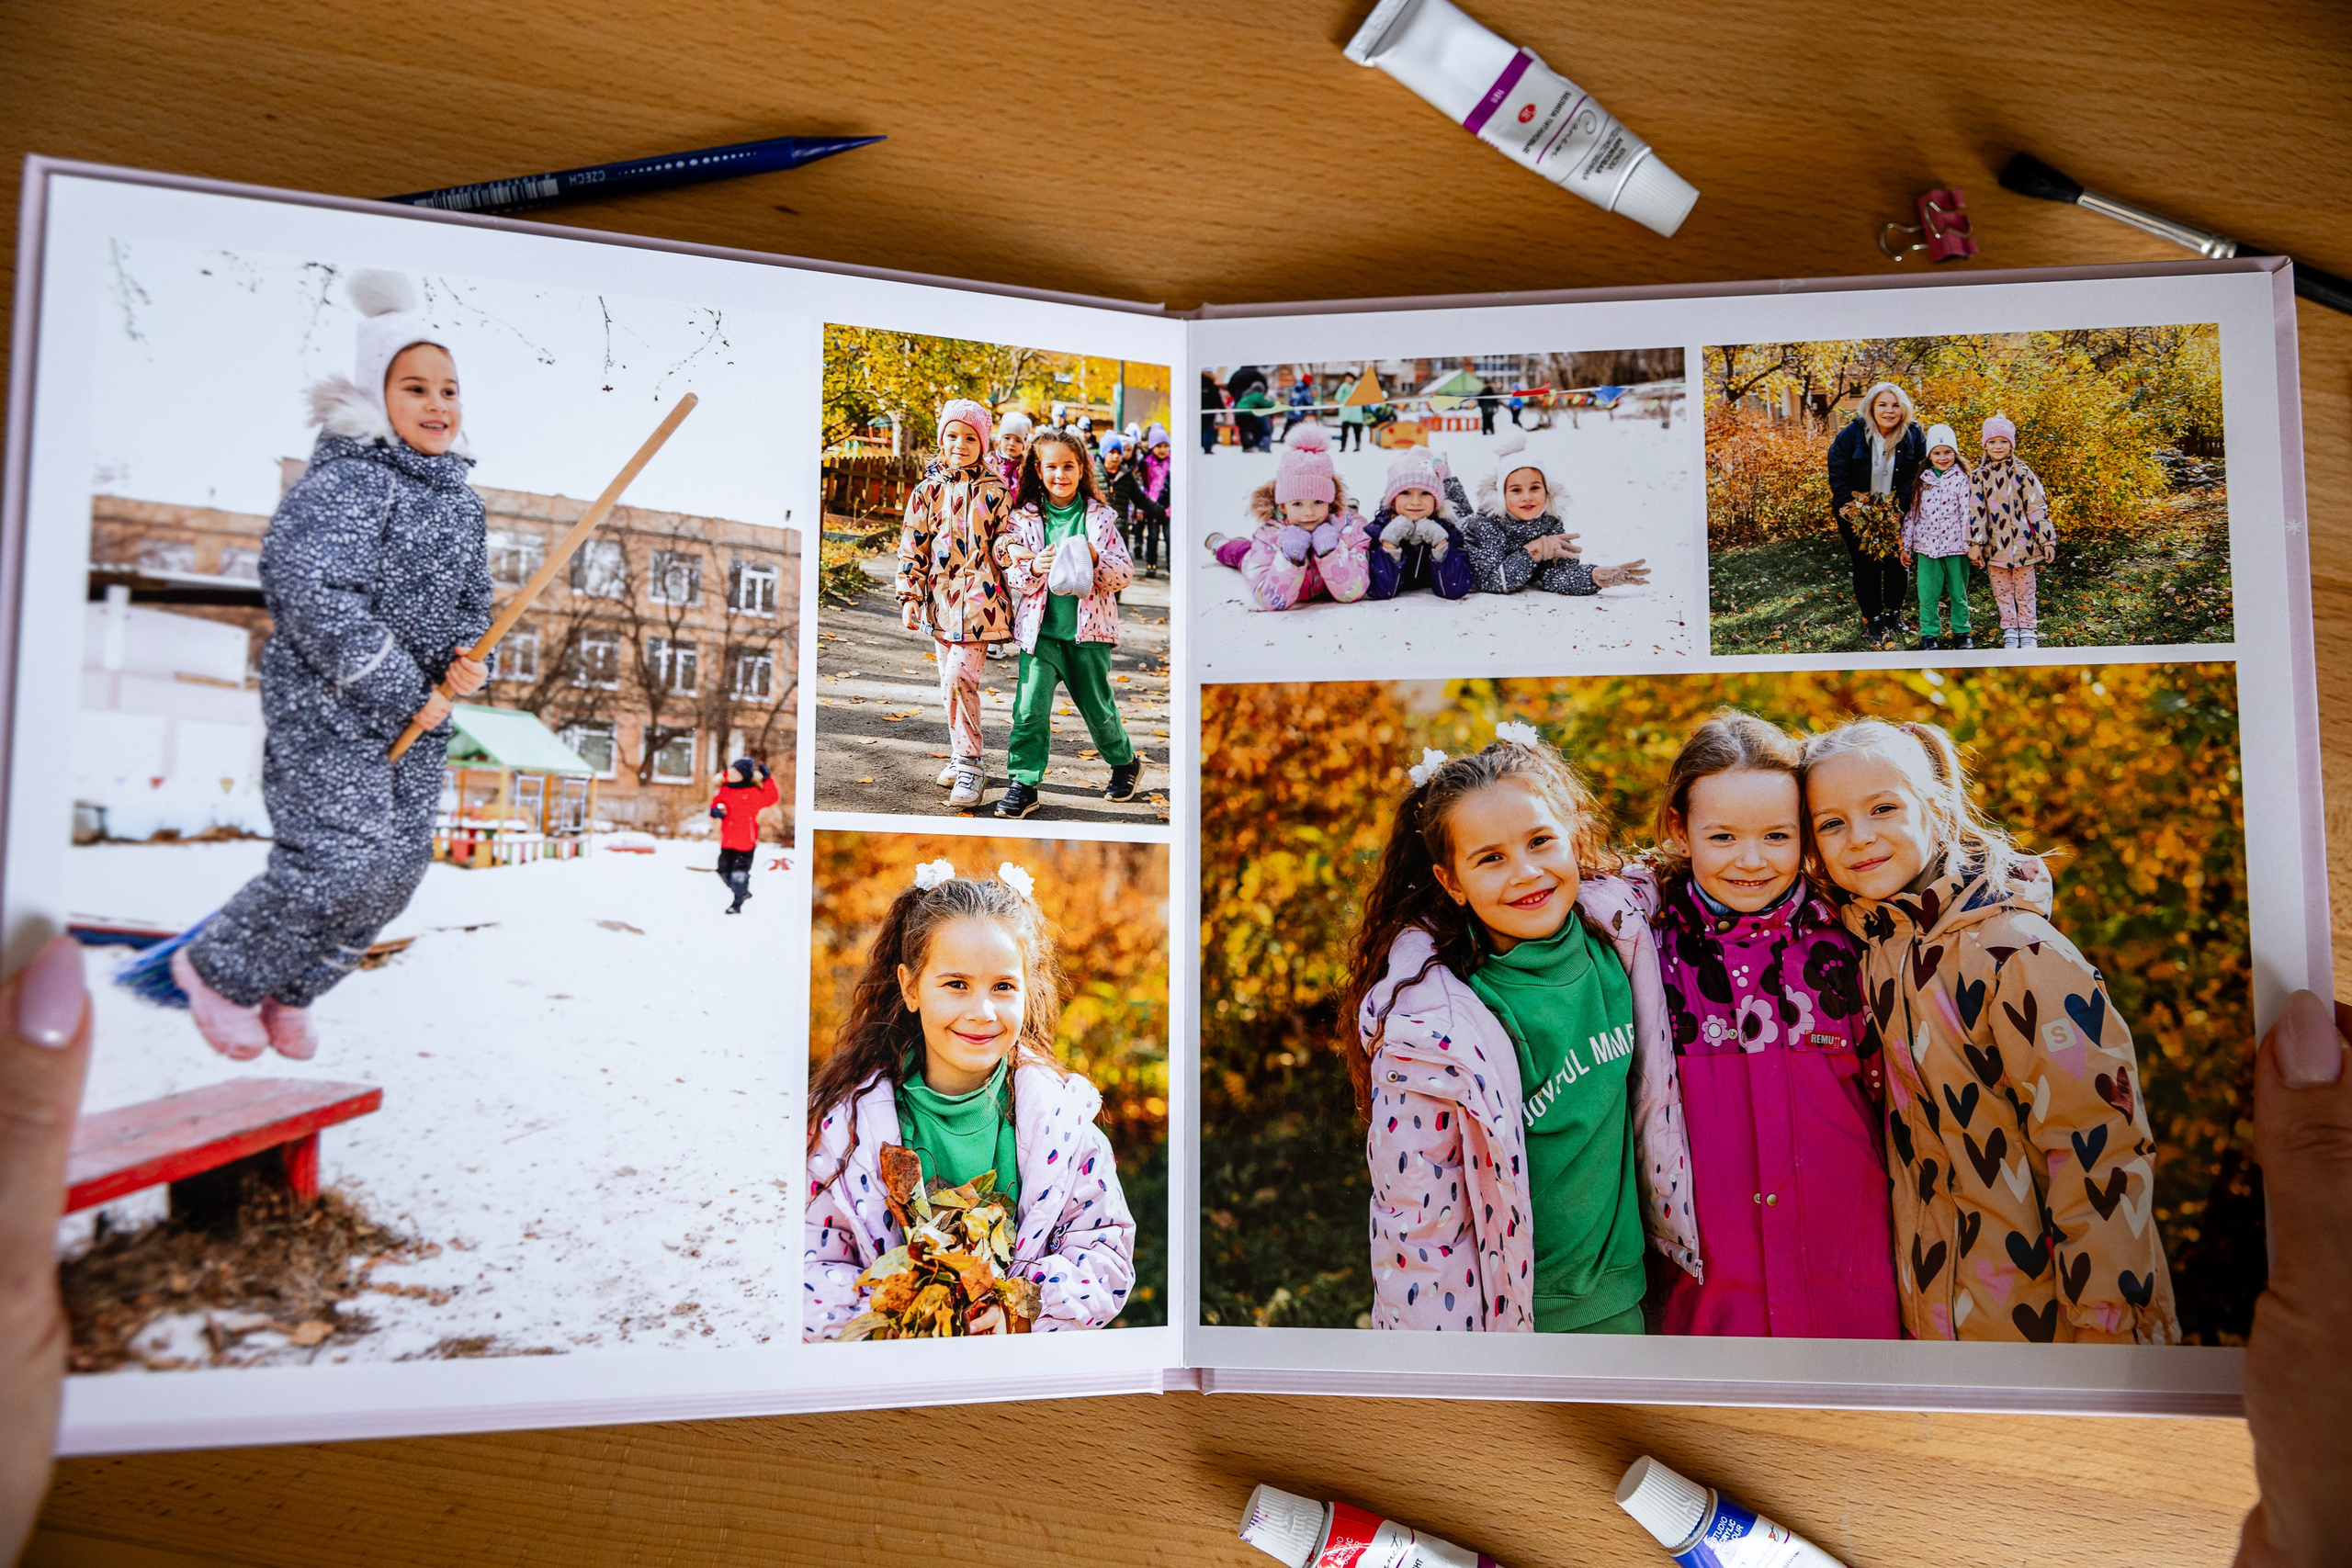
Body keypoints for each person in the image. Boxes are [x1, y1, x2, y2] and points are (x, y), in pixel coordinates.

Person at [174, 269, 490, 1061]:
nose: (437, 405)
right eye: (415, 387)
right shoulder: (351, 480)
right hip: (328, 707)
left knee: (395, 870)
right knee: (340, 858)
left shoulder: (461, 501)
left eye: (448, 389)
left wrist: (466, 662)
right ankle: (216, 968)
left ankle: (293, 987)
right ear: (375, 396)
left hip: (422, 716)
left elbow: (472, 605)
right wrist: (400, 685)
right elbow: (308, 587)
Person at [1802, 718, 2180, 1344]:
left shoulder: (2020, 954)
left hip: (2056, 1328)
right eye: (1832, 822)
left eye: (1884, 808)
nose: (1859, 837)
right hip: (1935, 1317)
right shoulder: (1869, 951)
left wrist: (2106, 1335)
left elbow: (2098, 1153)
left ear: (1939, 805)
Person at [1341, 729, 1702, 1332]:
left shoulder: (1619, 930)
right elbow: (1419, 1229)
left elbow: (1674, 864)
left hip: (1624, 1302)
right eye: (1490, 858)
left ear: (1572, 838)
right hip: (1521, 1324)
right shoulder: (1431, 1029)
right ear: (1452, 880)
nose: (1527, 872)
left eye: (1540, 841)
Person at [801, 863, 1136, 1338]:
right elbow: (809, 1262)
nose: (981, 1012)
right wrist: (898, 1320)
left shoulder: (1062, 1125)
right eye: (956, 984)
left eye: (1002, 987)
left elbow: (1103, 1254)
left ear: (1027, 989)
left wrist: (1019, 1307)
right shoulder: (844, 1130)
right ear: (911, 987)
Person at [1643, 712, 1897, 1339]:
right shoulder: (1645, 950)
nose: (1751, 861)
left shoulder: (1855, 938)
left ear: (1805, 834)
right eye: (1723, 837)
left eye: (1777, 837)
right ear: (1681, 828)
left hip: (1853, 1294)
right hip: (1709, 1308)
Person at [992, 426, 1142, 819]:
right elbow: (1012, 574)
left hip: (1088, 635)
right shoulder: (1023, 519)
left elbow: (1123, 574)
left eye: (1069, 467)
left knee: (1098, 710)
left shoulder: (1101, 518)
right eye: (1052, 467)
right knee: (1029, 709)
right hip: (1040, 634)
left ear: (1082, 470)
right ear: (1038, 470)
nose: (1061, 475)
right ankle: (1023, 783)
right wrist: (1032, 565)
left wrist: (1095, 557)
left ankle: (1125, 762)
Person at [896, 399, 1012, 810]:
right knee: (948, 681)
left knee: (960, 678)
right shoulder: (926, 491)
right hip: (940, 603)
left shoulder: (996, 491)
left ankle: (971, 763)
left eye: (970, 438)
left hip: (982, 603)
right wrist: (910, 595)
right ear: (941, 440)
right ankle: (959, 751)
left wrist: (1013, 552)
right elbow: (913, 544)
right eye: (952, 436)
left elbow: (1005, 538)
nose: (960, 444)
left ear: (983, 443)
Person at [1204, 424, 1372, 612]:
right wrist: (1290, 557)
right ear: (1283, 506)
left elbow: (1352, 592)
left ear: (1330, 502)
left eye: (1318, 501)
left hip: (1339, 534)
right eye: (1297, 504)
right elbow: (1270, 601)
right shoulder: (1268, 538)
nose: (1308, 512)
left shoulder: (1347, 532)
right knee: (1241, 552)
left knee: (1355, 521)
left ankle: (1350, 509)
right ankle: (1221, 544)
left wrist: (1330, 552)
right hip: (1262, 556)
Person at [1462, 435, 1650, 597]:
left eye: (1535, 488)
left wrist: (1593, 577)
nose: (1527, 497)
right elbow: (1493, 581)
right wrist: (1533, 552)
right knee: (1453, 516)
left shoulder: (1550, 523)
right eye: (1516, 490)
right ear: (1502, 496)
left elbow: (1556, 576)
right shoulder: (1485, 524)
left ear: (1547, 491)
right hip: (1454, 540)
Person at [1826, 380, 1928, 647]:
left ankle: (1894, 614)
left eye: (1895, 405)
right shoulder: (1854, 432)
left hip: (1896, 512)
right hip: (1856, 512)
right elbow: (1837, 466)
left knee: (1896, 563)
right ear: (1871, 406)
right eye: (1882, 404)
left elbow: (1917, 472)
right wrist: (1847, 504)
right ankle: (1873, 618)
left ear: (1903, 408)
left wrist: (1901, 507)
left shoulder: (1913, 433)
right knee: (1865, 566)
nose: (1889, 411)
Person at [1968, 413, 2056, 650]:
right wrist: (1975, 543)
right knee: (2002, 590)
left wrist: (2047, 540)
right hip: (1995, 547)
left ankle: (2027, 628)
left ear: (2011, 444)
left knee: (2026, 589)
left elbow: (2037, 506)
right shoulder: (1978, 476)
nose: (1998, 446)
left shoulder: (2023, 473)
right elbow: (1976, 511)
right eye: (1993, 441)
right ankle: (2009, 628)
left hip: (2024, 545)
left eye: (2003, 441)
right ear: (1985, 444)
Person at [1902, 423, 1976, 651]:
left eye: (1947, 452)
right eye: (1937, 453)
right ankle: (1930, 634)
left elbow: (1969, 513)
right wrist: (1906, 546)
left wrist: (1973, 544)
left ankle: (1962, 631)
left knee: (1958, 593)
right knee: (1927, 595)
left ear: (1955, 453)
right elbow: (1912, 515)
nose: (1942, 457)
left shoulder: (1963, 479)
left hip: (1956, 548)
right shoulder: (1921, 481)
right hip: (1927, 549)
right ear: (1929, 456)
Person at [1364, 450, 1474, 603]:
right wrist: (1389, 545)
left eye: (1425, 493)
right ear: (1393, 499)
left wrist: (1440, 544)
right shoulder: (1375, 532)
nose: (1415, 501)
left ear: (1436, 501)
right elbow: (1381, 590)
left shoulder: (1449, 532)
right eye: (1405, 492)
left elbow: (1455, 589)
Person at [707, 757, 778, 913]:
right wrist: (716, 811)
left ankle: (737, 903)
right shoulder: (725, 789)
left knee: (739, 875)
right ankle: (743, 892)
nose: (730, 775)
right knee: (723, 872)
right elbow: (714, 806)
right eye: (730, 771)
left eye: (735, 773)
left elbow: (772, 797)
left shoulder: (753, 793)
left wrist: (767, 777)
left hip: (746, 843)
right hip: (728, 841)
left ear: (744, 775)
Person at [1135, 424, 1173, 573]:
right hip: (1152, 505)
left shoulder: (1172, 463)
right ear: (1152, 447)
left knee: (1169, 537)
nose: (1162, 450)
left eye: (1165, 446)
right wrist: (1143, 505)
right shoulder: (1147, 463)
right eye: (1158, 446)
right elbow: (1143, 484)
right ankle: (1151, 564)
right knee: (1152, 536)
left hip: (1169, 507)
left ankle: (1171, 564)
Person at [1233, 379, 1277, 453]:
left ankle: (1246, 446)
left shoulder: (1246, 394)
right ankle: (1251, 446)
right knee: (1250, 430)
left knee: (1243, 430)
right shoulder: (1257, 395)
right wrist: (1274, 404)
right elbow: (1265, 403)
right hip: (1247, 414)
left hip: (1238, 414)